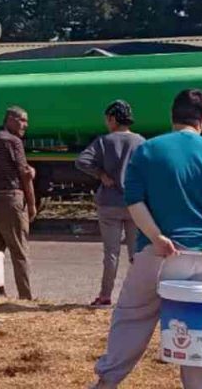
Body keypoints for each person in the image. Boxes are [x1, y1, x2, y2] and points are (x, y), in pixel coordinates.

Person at [92, 89, 202, 389]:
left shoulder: (148, 151)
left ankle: (107, 381)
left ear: (171, 117)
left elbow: (134, 201)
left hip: (159, 256)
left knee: (132, 318)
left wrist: (157, 237)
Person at [76, 100, 146, 307]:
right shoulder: (141, 142)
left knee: (111, 253)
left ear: (113, 119)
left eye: (107, 119)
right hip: (134, 204)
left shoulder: (104, 141)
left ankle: (105, 296)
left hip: (109, 203)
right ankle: (137, 296)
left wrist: (100, 174)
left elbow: (82, 161)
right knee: (136, 253)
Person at [0, 106, 36, 300]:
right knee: (20, 251)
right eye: (22, 120)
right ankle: (25, 296)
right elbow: (24, 174)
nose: (25, 125)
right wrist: (32, 203)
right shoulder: (13, 141)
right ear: (10, 119)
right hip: (11, 197)